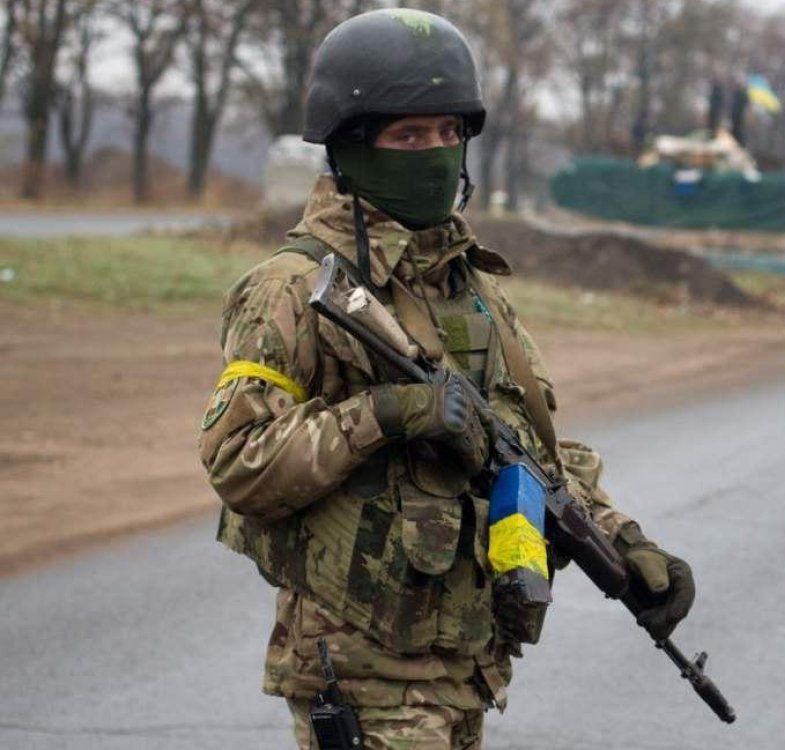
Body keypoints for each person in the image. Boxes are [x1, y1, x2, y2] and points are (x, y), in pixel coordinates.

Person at [197, 9, 696, 748]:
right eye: (407, 136)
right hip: (363, 666)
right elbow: (238, 461)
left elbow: (531, 454)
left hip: (465, 662)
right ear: (350, 146)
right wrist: (388, 413)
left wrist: (625, 546)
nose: (433, 152)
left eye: (447, 133)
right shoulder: (291, 288)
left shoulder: (472, 288)